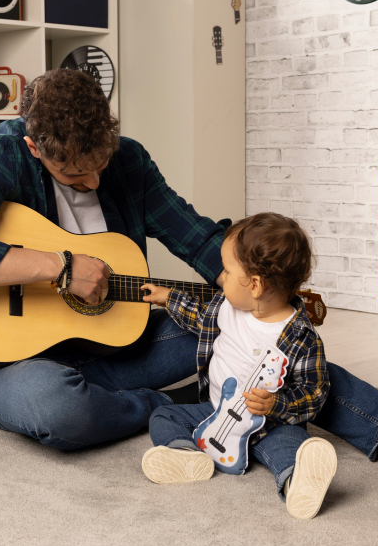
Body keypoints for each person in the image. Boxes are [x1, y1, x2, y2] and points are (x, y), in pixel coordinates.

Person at [0, 68, 378, 472]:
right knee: (61, 411)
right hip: (12, 361)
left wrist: (272, 297)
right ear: (35, 148)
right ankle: (190, 407)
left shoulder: (127, 160)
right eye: (75, 176)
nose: (93, 182)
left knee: (266, 341)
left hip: (120, 341)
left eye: (100, 165)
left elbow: (198, 237)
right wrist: (58, 267)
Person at [141, 213, 338, 520]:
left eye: (228, 272)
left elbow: (315, 392)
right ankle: (187, 456)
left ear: (255, 285)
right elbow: (199, 315)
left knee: (291, 445)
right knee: (163, 415)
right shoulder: (226, 308)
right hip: (216, 409)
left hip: (271, 425)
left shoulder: (300, 336)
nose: (222, 277)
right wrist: (169, 299)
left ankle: (297, 483)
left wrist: (277, 404)